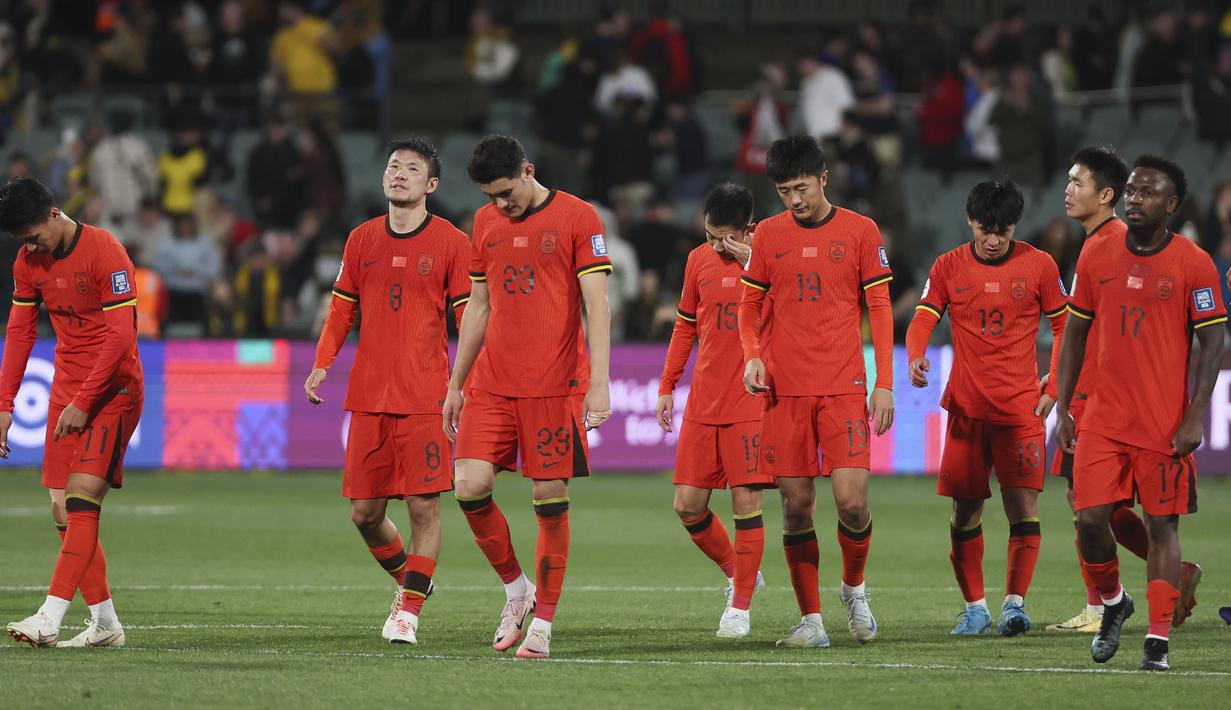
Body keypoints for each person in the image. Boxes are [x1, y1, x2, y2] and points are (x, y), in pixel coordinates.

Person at [443, 135, 612, 660]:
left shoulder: (580, 218)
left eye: (507, 191)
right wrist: (456, 382)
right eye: (491, 195)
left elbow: (597, 306)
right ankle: (518, 592)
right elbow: (478, 306)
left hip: (554, 384)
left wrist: (600, 382)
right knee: (468, 487)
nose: (500, 204)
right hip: (492, 381)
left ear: (528, 170)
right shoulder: (485, 222)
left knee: (549, 500)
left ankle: (544, 622)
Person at [1057, 155, 1226, 671]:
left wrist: (1196, 414)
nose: (1135, 199)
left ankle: (1157, 641)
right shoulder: (1096, 255)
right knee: (1088, 520)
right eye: (1131, 190)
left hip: (1161, 423)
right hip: (1103, 419)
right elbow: (1075, 335)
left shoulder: (1194, 263)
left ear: (1171, 205)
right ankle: (1114, 604)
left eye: (1148, 193)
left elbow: (1213, 343)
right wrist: (1063, 407)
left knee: (1160, 528)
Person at [304, 138, 470, 646]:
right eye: (393, 166)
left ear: (432, 185)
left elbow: (469, 320)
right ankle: (412, 581)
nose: (398, 174)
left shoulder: (452, 244)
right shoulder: (360, 240)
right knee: (365, 514)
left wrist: (466, 385)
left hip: (426, 396)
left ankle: (409, 610)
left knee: (424, 508)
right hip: (369, 395)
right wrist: (320, 364)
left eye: (411, 169)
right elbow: (341, 311)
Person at [738, 135, 894, 648]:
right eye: (784, 191)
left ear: (823, 178)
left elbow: (881, 310)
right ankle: (811, 619)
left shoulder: (860, 230)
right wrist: (753, 354)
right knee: (796, 505)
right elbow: (748, 307)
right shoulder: (768, 237)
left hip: (844, 386)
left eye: (801, 188)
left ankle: (854, 589)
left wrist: (884, 384)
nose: (794, 200)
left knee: (851, 503)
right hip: (785, 391)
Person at [906, 180, 1067, 636]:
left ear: (1015, 225)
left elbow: (1064, 326)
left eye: (1003, 229)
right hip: (966, 410)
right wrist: (916, 352)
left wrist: (1054, 383)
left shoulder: (1039, 265)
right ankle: (975, 607)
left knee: (1023, 508)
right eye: (985, 229)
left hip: (1021, 411)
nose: (994, 239)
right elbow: (923, 315)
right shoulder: (947, 266)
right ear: (970, 221)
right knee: (965, 511)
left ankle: (1014, 605)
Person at [1, 178, 143, 648]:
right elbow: (20, 333)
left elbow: (120, 338)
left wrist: (85, 402)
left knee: (82, 497)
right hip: (66, 392)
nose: (30, 246)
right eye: (23, 240)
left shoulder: (106, 252)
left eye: (33, 235)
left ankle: (50, 614)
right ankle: (105, 624)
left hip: (113, 391)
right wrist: (4, 404)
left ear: (55, 213)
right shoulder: (28, 262)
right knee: (63, 511)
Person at [655, 183, 769, 639]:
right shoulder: (697, 262)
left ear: (749, 229)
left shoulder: (770, 258)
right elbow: (685, 326)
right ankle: (738, 572)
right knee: (687, 506)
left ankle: (739, 608)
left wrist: (753, 265)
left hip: (752, 397)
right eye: (709, 235)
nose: (716, 245)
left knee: (747, 503)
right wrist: (667, 386)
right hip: (704, 400)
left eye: (725, 237)